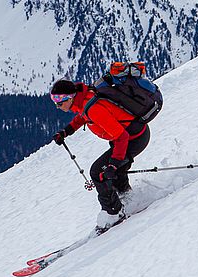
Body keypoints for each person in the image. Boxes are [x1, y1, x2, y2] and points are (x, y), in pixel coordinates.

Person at [49, 78, 151, 232]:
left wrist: (114, 163)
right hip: (133, 135)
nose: (57, 106)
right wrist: (67, 130)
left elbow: (121, 136)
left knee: (98, 172)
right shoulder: (83, 100)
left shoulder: (93, 108)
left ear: (70, 97)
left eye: (59, 102)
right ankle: (127, 197)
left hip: (133, 139)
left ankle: (113, 213)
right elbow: (82, 116)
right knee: (115, 170)